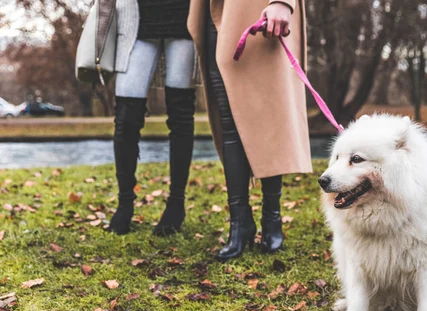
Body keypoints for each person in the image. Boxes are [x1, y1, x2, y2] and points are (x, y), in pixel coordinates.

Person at [188, 0, 312, 261]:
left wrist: (283, 2)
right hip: (213, 11)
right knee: (228, 118)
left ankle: (272, 218)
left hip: (260, 8)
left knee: (269, 112)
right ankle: (240, 223)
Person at [108, 0, 197, 236]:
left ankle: (176, 203)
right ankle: (125, 203)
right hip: (137, 21)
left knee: (180, 114)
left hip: (184, 19)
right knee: (126, 117)